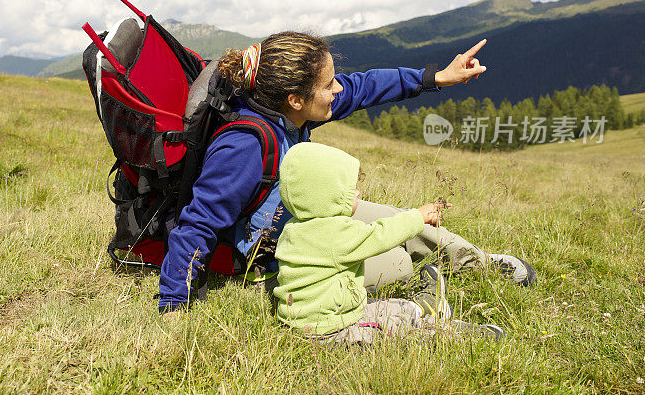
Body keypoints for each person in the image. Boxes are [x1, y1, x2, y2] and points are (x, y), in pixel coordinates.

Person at [157, 32, 534, 314]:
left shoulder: (292, 109)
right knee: (399, 262)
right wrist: (173, 304)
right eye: (328, 84)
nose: (339, 88)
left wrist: (434, 78)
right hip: (286, 256)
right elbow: (199, 222)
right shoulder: (243, 146)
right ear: (297, 99)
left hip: (310, 219)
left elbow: (364, 87)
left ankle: (479, 263)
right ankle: (419, 293)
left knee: (400, 221)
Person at [273, 142, 504, 342]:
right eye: (350, 191)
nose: (358, 194)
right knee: (399, 332)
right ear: (325, 193)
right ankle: (446, 334)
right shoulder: (335, 234)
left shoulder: (294, 228)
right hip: (332, 332)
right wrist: (418, 216)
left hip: (311, 320)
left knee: (384, 308)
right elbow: (382, 235)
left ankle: (424, 306)